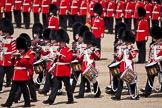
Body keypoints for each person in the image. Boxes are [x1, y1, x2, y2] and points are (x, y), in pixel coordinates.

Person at [43, 29, 74, 105]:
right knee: (55, 86)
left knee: (67, 86)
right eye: (60, 42)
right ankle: (51, 99)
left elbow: (68, 59)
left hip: (65, 71)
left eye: (61, 42)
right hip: (57, 71)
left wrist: (60, 56)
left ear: (64, 42)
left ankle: (70, 98)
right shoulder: (58, 49)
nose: (60, 43)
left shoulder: (68, 50)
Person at [1, 37, 31, 107]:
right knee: (12, 91)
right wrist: (12, 59)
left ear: (24, 49)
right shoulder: (17, 55)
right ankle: (8, 103)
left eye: (21, 49)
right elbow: (13, 63)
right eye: (19, 49)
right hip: (16, 75)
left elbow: (24, 63)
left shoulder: (26, 56)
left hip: (22, 75)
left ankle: (27, 103)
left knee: (25, 91)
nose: (20, 50)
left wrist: (19, 57)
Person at [111, 30, 138, 100]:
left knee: (131, 81)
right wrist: (117, 55)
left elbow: (133, 56)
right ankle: (118, 96)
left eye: (126, 41)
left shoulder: (132, 48)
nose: (125, 42)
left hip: (129, 66)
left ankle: (134, 94)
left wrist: (130, 49)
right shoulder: (123, 48)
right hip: (123, 66)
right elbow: (120, 58)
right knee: (121, 80)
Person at [75, 31, 101, 98]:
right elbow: (79, 58)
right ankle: (81, 94)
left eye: (89, 43)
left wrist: (93, 51)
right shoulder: (84, 49)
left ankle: (98, 91)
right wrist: (81, 54)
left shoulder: (95, 49)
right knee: (83, 81)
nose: (87, 44)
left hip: (90, 66)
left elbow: (98, 56)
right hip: (84, 66)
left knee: (93, 80)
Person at [14, 33, 37, 103]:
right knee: (21, 86)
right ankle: (16, 97)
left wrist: (23, 58)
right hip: (21, 72)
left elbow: (30, 62)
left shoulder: (30, 52)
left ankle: (33, 97)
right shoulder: (20, 52)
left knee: (30, 85)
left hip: (28, 71)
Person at [140, 26, 162, 97]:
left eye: (155, 38)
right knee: (150, 77)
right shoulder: (152, 45)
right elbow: (150, 55)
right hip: (153, 64)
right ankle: (147, 91)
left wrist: (159, 58)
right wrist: (149, 62)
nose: (154, 39)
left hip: (161, 64)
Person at [71, 24, 91, 93]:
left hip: (84, 62)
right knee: (76, 76)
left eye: (80, 37)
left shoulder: (86, 45)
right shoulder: (77, 44)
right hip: (78, 62)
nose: (78, 38)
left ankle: (86, 88)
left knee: (84, 77)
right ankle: (72, 89)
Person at [0, 18, 16, 92]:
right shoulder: (2, 39)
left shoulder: (12, 40)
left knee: (11, 76)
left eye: (5, 31)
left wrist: (11, 57)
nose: (3, 33)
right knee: (0, 75)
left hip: (9, 61)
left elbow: (14, 50)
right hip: (3, 60)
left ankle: (13, 85)